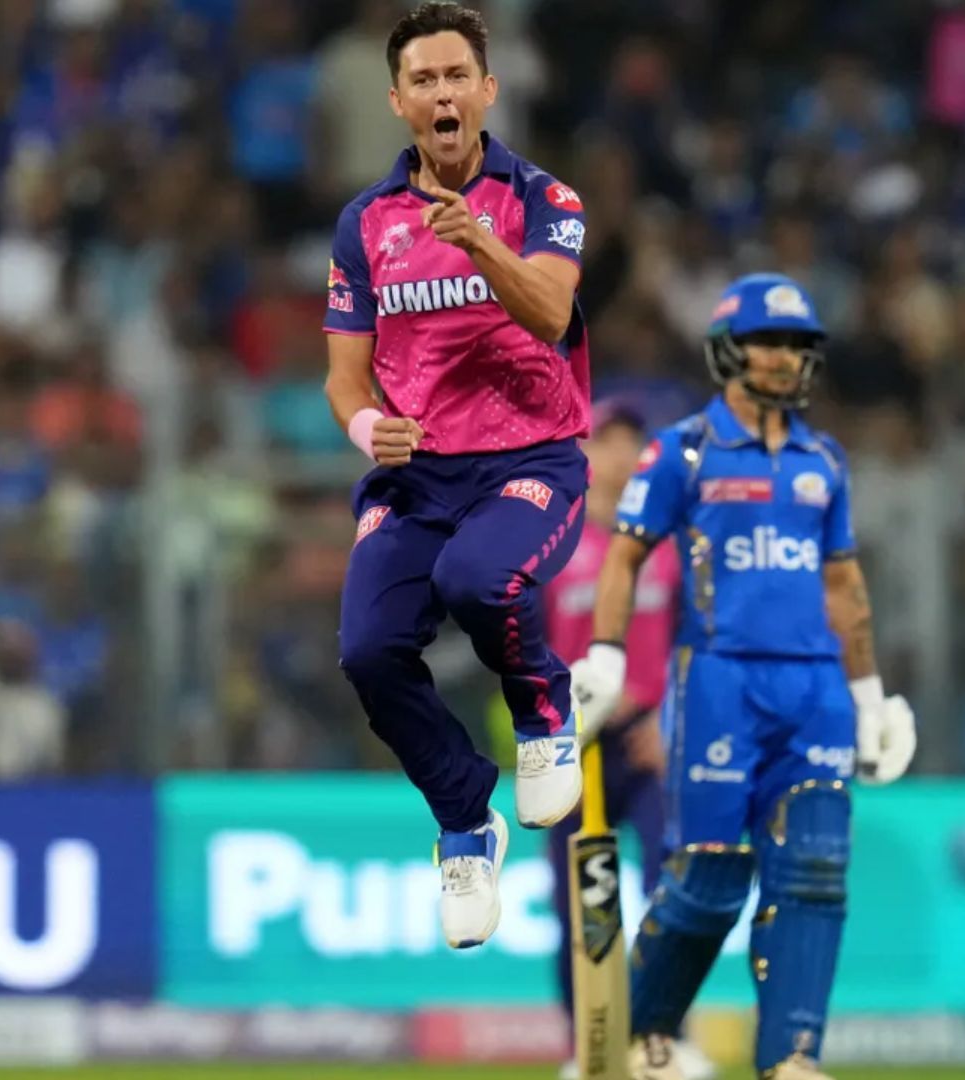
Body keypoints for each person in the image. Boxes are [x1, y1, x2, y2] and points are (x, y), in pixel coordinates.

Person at [569, 274, 918, 1080]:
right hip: (721, 681)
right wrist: (609, 658)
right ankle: (634, 1038)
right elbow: (625, 556)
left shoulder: (823, 459)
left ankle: (793, 1056)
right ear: (730, 350)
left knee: (817, 871)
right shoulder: (682, 450)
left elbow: (844, 588)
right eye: (770, 341)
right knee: (709, 879)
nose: (785, 359)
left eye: (799, 346)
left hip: (818, 690)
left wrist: (870, 698)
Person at [323, 1, 592, 950]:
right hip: (419, 477)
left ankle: (544, 711)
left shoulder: (545, 201)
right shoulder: (366, 225)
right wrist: (368, 428)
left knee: (477, 579)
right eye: (422, 81)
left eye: (455, 77)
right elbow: (344, 376)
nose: (442, 94)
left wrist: (479, 240)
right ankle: (462, 817)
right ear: (398, 102)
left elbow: (552, 316)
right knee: (367, 649)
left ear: (488, 90)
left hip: (530, 458)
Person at [541, 400, 717, 1080]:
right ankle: (587, 1045)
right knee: (577, 906)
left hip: (651, 746)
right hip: (574, 747)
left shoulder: (670, 545)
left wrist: (671, 723)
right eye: (603, 442)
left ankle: (664, 1038)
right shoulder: (549, 544)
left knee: (674, 890)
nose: (617, 456)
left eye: (630, 444)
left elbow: (697, 645)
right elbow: (519, 648)